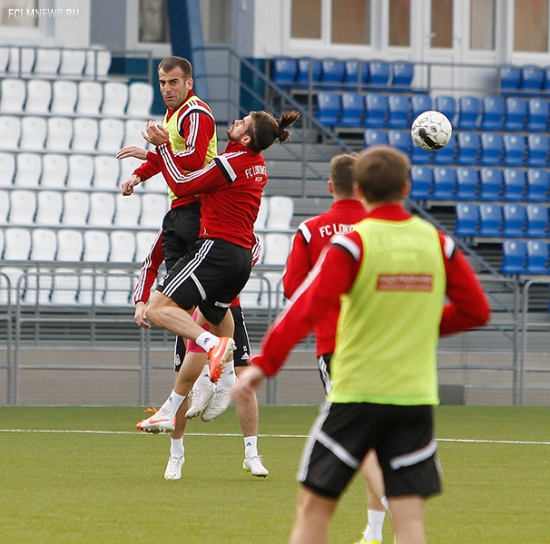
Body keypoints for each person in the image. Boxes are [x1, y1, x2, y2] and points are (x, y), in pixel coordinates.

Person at [232, 145, 491, 544]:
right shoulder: (437, 243)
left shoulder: (353, 244)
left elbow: (304, 306)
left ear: (360, 190)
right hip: (413, 399)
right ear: (406, 187)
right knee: (410, 523)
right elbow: (477, 311)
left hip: (355, 396)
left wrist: (263, 366)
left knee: (314, 510)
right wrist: (417, 323)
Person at [135, 110, 301, 439]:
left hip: (216, 249)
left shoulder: (234, 161)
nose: (237, 119)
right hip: (240, 258)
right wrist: (155, 157)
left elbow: (183, 186)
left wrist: (165, 147)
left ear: (246, 138)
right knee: (216, 311)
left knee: (159, 308)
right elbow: (201, 170)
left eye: (244, 121)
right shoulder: (255, 162)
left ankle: (211, 345)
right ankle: (224, 381)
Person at [282, 152, 387, 544]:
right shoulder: (380, 227)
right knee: (375, 436)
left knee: (357, 439)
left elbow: (293, 289)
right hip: (385, 345)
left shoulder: (312, 231)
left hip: (338, 345)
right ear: (361, 187)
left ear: (331, 187)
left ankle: (393, 503)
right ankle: (373, 532)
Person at [134, 229, 268, 478]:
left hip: (228, 309)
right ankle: (176, 454)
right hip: (189, 313)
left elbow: (254, 248)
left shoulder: (226, 225)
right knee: (183, 381)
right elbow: (151, 263)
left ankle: (252, 455)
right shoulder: (176, 227)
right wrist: (141, 301)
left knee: (245, 379)